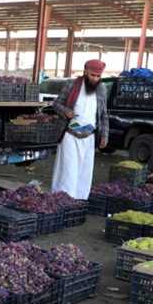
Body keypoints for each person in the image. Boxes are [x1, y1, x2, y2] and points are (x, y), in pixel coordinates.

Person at [50, 59, 110, 200]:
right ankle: (63, 201)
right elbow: (56, 104)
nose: (95, 79)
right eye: (92, 75)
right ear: (85, 72)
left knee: (84, 173)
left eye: (98, 76)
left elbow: (104, 114)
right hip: (70, 136)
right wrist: (66, 111)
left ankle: (79, 202)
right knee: (68, 172)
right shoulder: (71, 85)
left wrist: (105, 136)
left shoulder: (102, 89)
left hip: (89, 137)